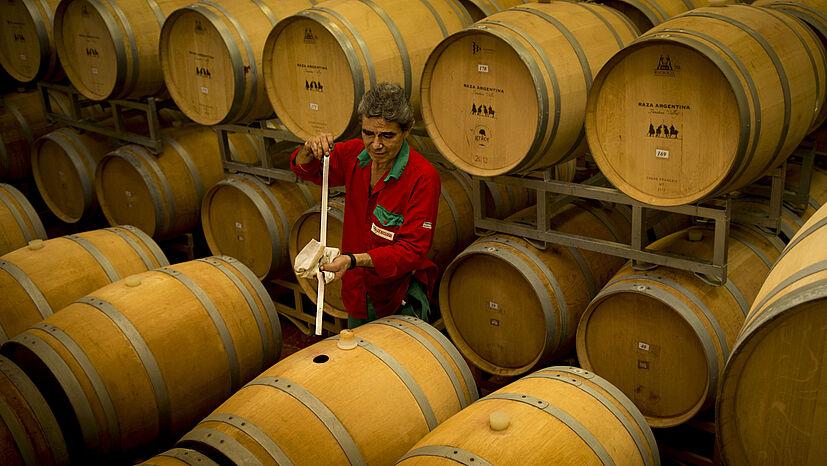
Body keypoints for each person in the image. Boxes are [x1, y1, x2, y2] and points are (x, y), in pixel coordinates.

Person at [291, 82, 441, 328]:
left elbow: (412, 250)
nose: (376, 144)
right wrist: (309, 149)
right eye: (368, 133)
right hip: (357, 290)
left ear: (407, 131)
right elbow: (308, 170)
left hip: (397, 296)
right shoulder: (354, 155)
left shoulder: (422, 177)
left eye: (387, 135)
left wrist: (353, 260)